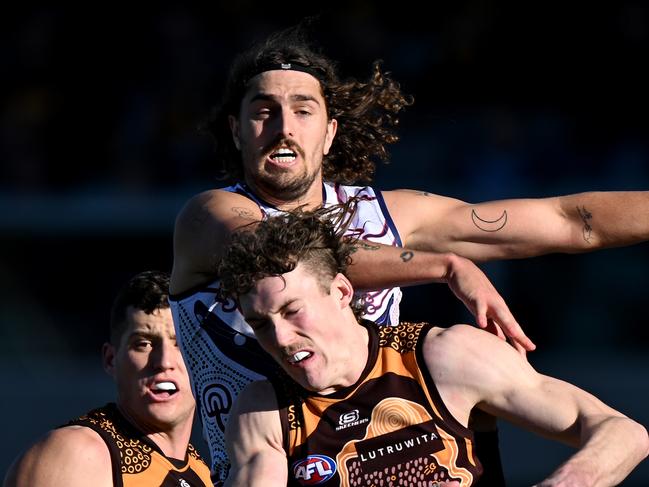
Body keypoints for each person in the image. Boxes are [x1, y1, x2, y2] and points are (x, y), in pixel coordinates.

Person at [169, 23, 649, 482]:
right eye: (263, 110)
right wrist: (445, 265)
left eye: (302, 109)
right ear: (236, 130)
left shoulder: (389, 216)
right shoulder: (208, 216)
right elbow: (293, 257)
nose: (284, 126)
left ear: (330, 131)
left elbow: (570, 221)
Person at [217, 208, 649, 486]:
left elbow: (624, 433)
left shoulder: (441, 356)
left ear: (343, 291)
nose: (280, 339)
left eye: (293, 311)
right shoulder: (265, 411)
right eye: (260, 324)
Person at [4, 270, 212, 487]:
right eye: (143, 343)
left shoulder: (204, 474)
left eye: (180, 343)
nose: (163, 361)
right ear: (111, 359)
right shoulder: (76, 455)